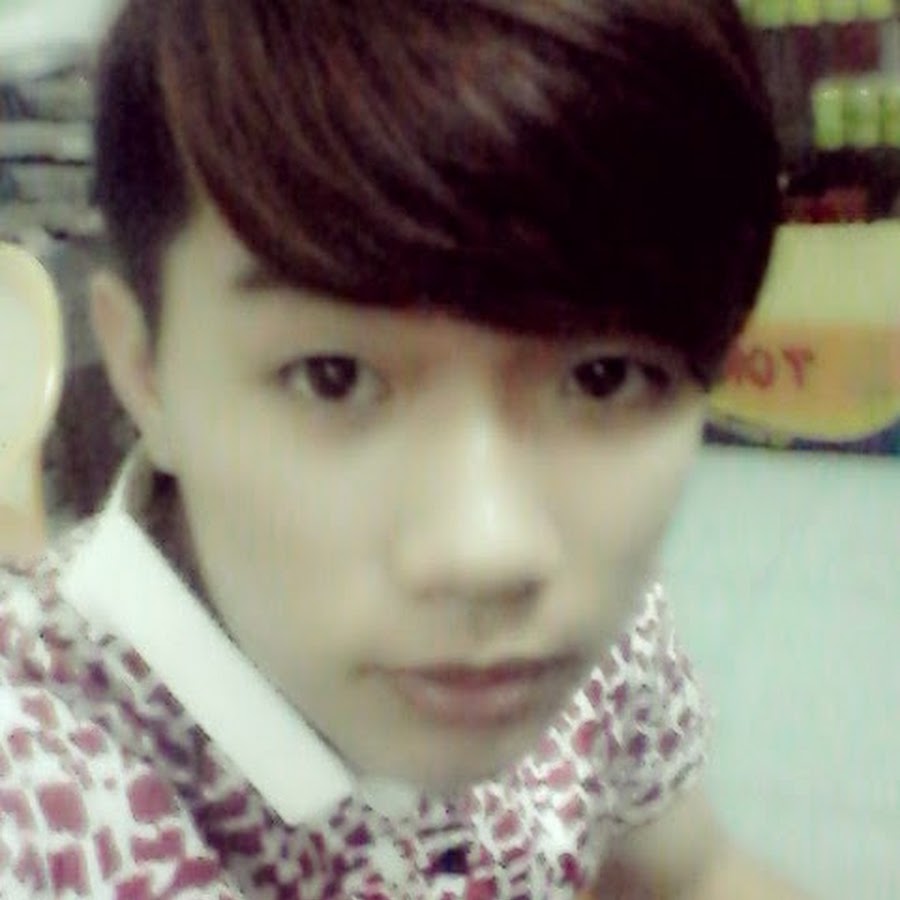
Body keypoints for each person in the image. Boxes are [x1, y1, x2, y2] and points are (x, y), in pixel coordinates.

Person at [0, 1, 812, 896]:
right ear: (145, 370)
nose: (489, 553)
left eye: (604, 377)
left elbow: (691, 873)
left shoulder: (594, 628)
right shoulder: (44, 794)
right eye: (334, 376)